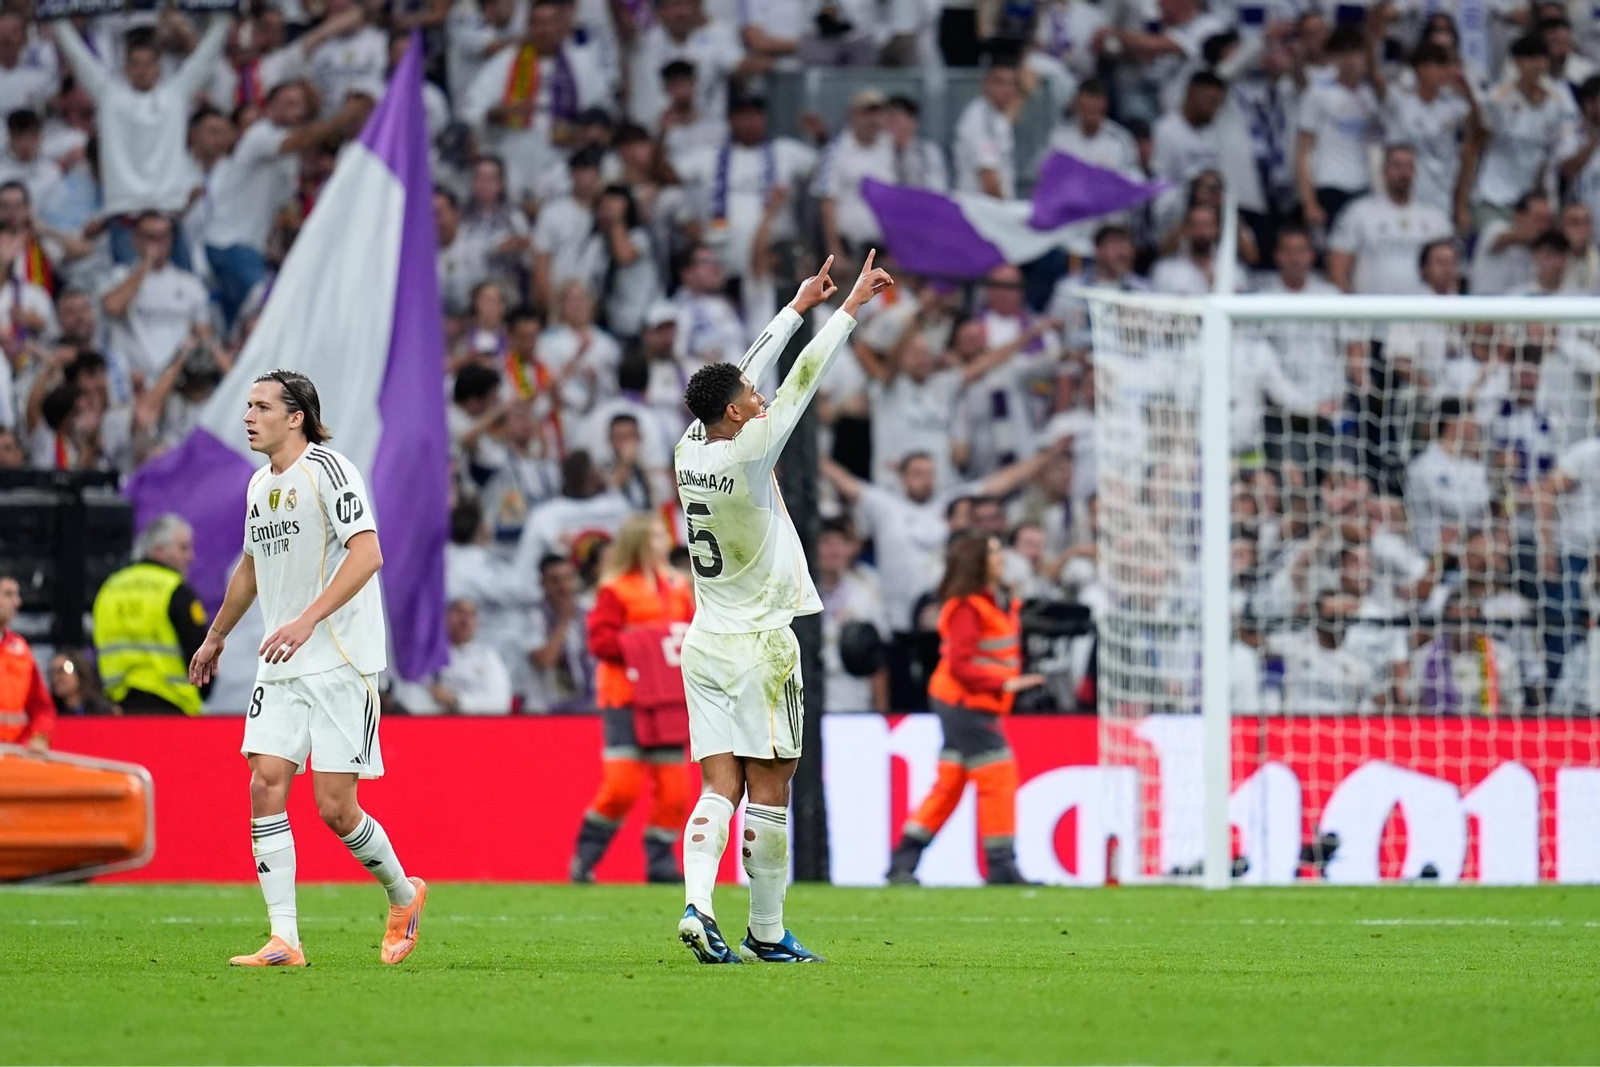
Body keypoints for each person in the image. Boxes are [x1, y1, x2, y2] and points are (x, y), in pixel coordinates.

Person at [673, 250, 893, 964]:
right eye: (750, 398)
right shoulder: (750, 452)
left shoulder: (690, 446)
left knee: (718, 785)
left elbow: (751, 366)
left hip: (704, 639)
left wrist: (797, 306)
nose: (760, 399)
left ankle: (698, 905)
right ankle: (765, 930)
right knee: (770, 787)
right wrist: (849, 308)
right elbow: (800, 379)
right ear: (737, 411)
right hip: (761, 643)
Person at [188, 370, 427, 968]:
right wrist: (216, 636)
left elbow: (367, 553)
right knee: (264, 782)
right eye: (247, 406)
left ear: (296, 417)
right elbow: (249, 567)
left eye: (262, 406)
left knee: (334, 807)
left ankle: (404, 893)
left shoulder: (330, 469)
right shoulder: (256, 486)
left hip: (341, 660)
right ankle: (284, 939)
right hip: (282, 663)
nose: (248, 416)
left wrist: (305, 620)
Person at [885, 533, 1045, 885]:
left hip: (970, 703)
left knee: (950, 784)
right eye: (994, 551)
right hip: (965, 703)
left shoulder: (991, 600)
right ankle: (1001, 864)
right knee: (999, 773)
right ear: (978, 562)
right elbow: (960, 665)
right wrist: (1004, 683)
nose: (1000, 556)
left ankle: (903, 861)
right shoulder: (967, 606)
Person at [570, 512, 694, 884]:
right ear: (641, 541)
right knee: (622, 786)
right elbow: (601, 642)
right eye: (657, 534)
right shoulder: (616, 589)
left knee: (674, 789)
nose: (664, 540)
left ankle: (660, 863)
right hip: (624, 697)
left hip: (668, 698)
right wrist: (650, 642)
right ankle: (585, 857)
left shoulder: (679, 586)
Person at [91, 514, 209, 715]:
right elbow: (202, 651)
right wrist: (204, 689)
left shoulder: (109, 588)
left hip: (118, 709)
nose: (190, 556)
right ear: (159, 550)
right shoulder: (176, 590)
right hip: (172, 707)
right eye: (183, 547)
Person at [0, 572, 53, 749]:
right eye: (8, 594)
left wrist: (39, 736)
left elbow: (41, 707)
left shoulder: (20, 649)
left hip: (14, 755)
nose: (17, 602)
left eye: (17, 594)